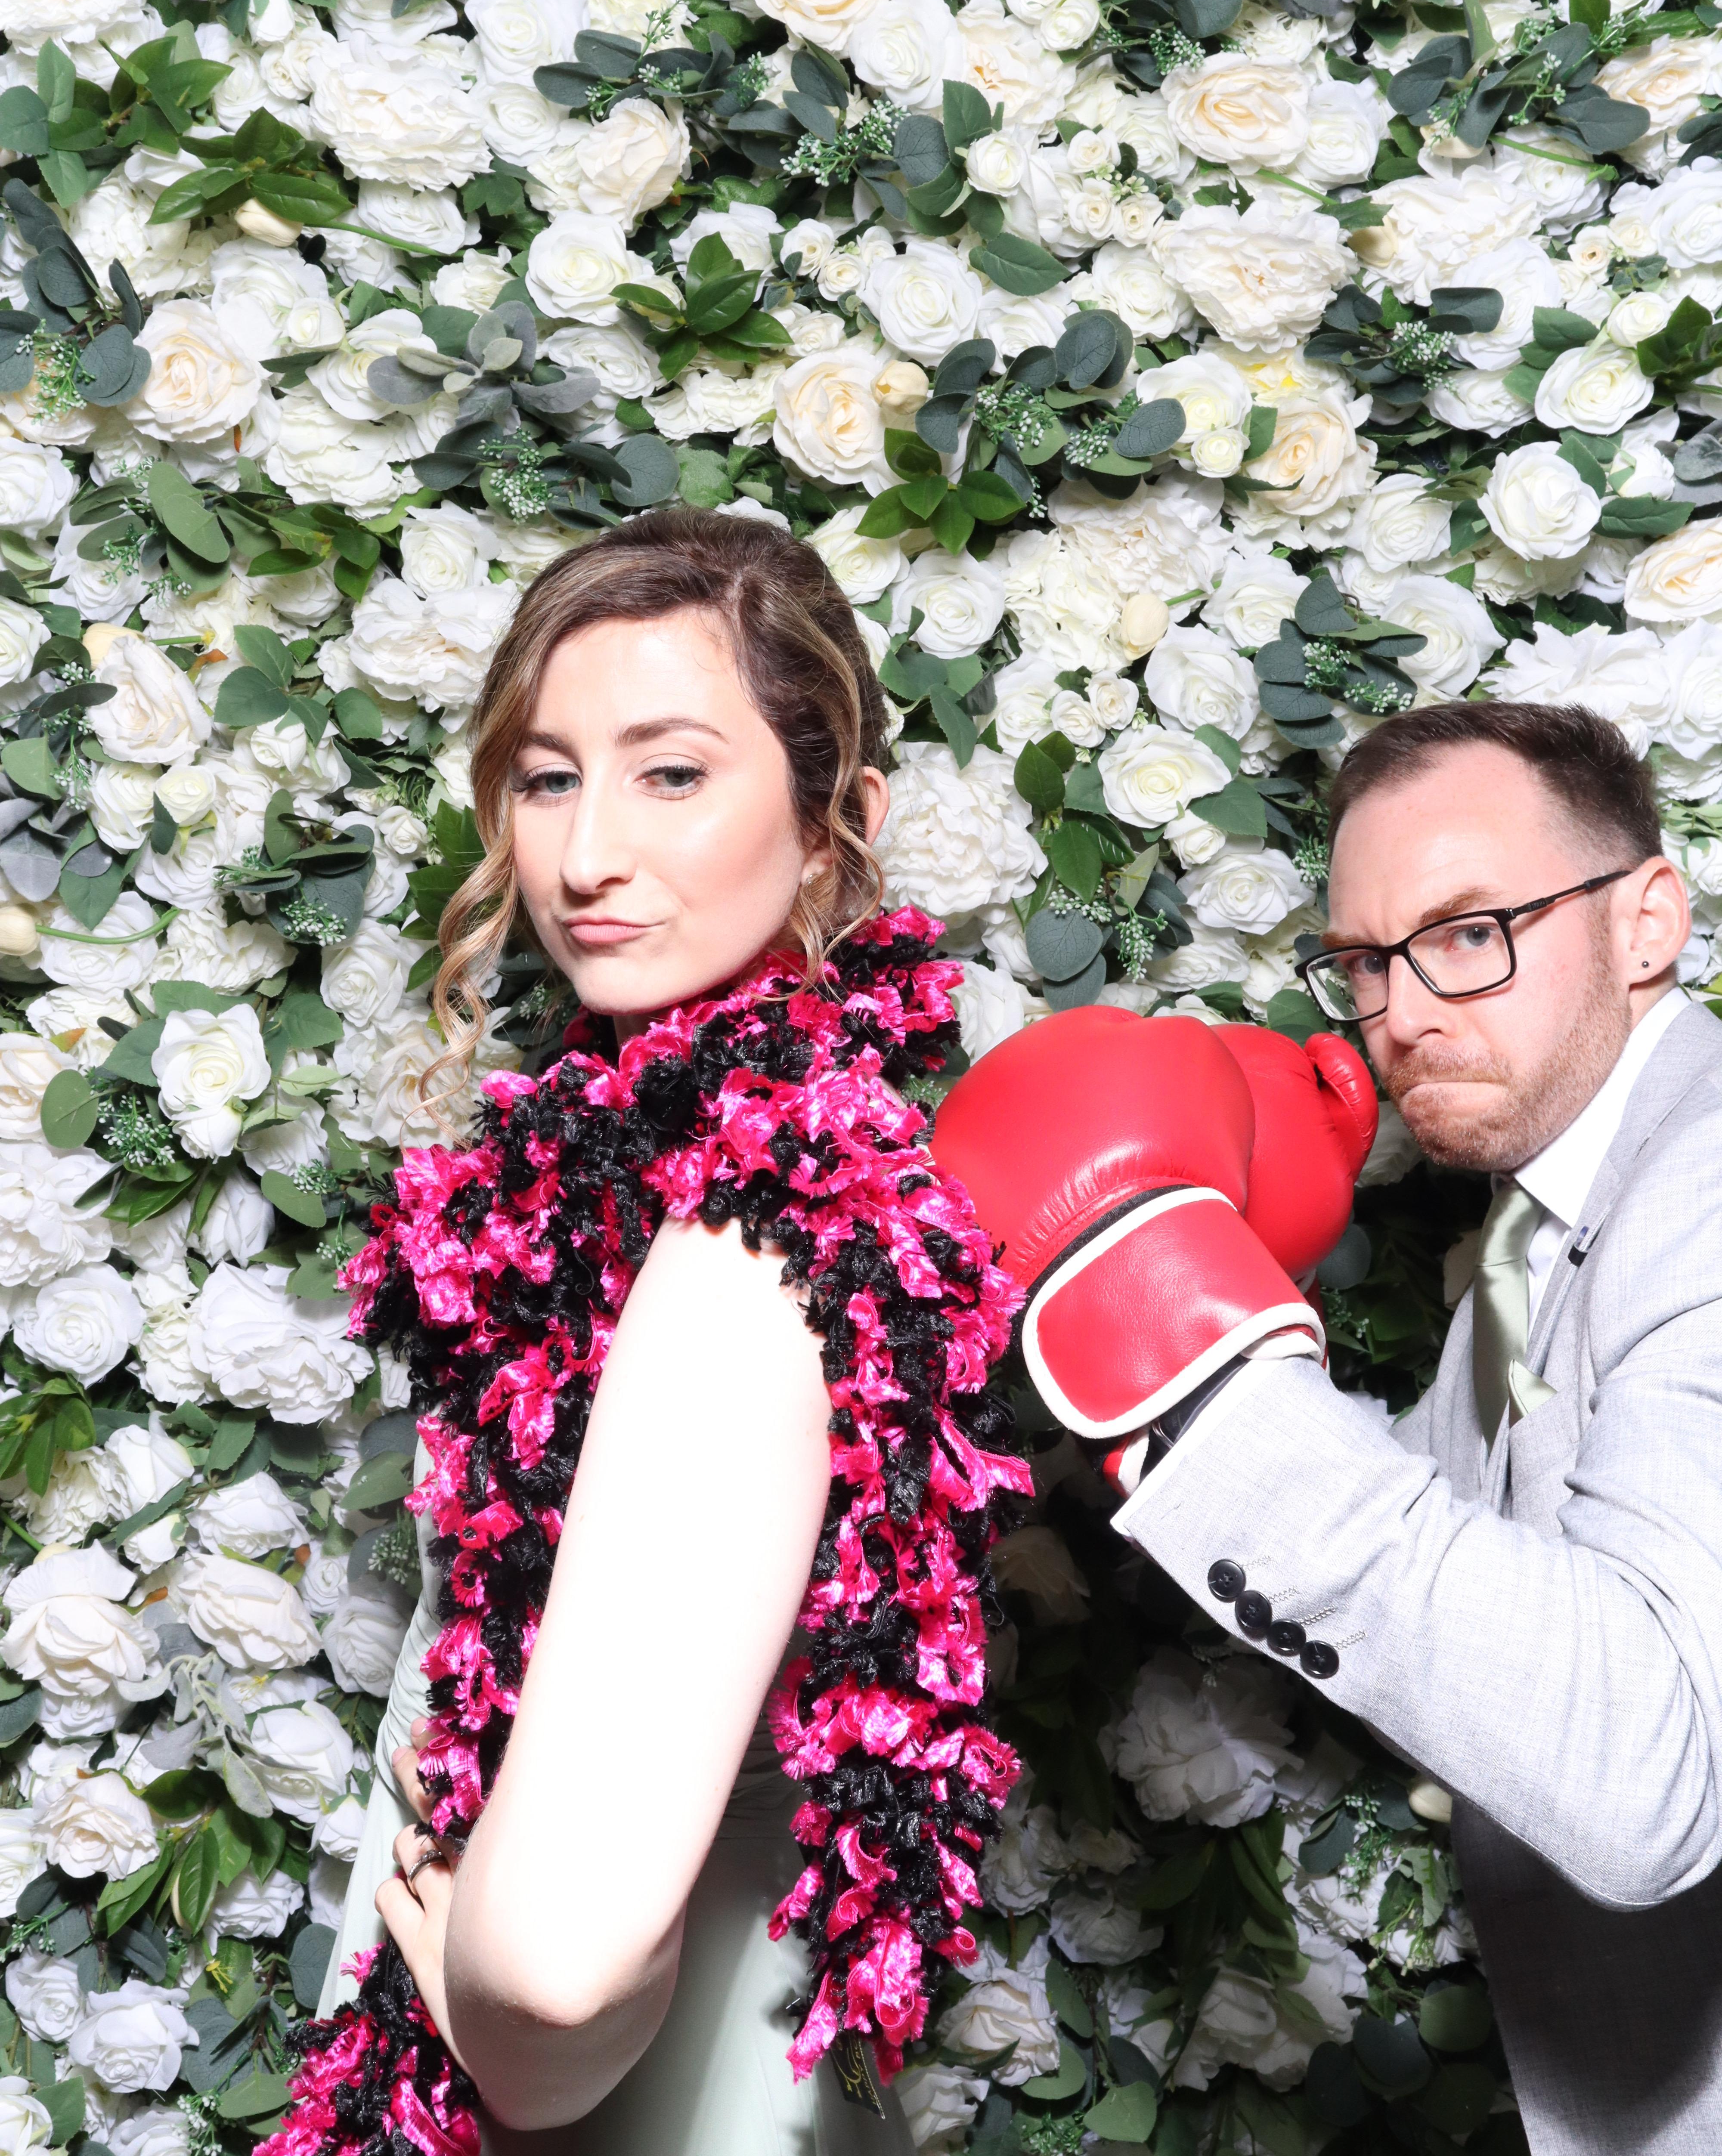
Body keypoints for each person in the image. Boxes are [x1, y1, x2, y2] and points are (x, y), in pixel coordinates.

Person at [304, 509, 1030, 2156]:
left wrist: (487, 2029)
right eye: (550, 777)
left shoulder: (751, 1232)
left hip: (644, 2093)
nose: (581, 857)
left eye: (674, 773)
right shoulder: (638, 1184)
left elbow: (555, 1980)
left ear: (842, 823)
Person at [935, 701, 1722, 2154]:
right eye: (1362, 961)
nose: (1401, 1013)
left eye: (1470, 930)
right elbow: (1438, 1600)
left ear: (1648, 920)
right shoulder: (1534, 1223)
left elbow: (1643, 1769)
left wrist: (1178, 1335)